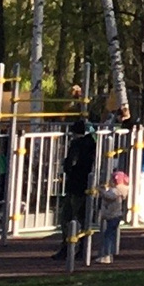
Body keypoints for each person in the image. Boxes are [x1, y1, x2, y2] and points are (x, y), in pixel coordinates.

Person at [59, 113, 97, 264]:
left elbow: (71, 164)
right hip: (86, 184)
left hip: (74, 184)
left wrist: (67, 167)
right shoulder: (92, 144)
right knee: (82, 217)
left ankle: (67, 247)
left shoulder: (76, 145)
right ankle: (83, 247)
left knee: (67, 217)